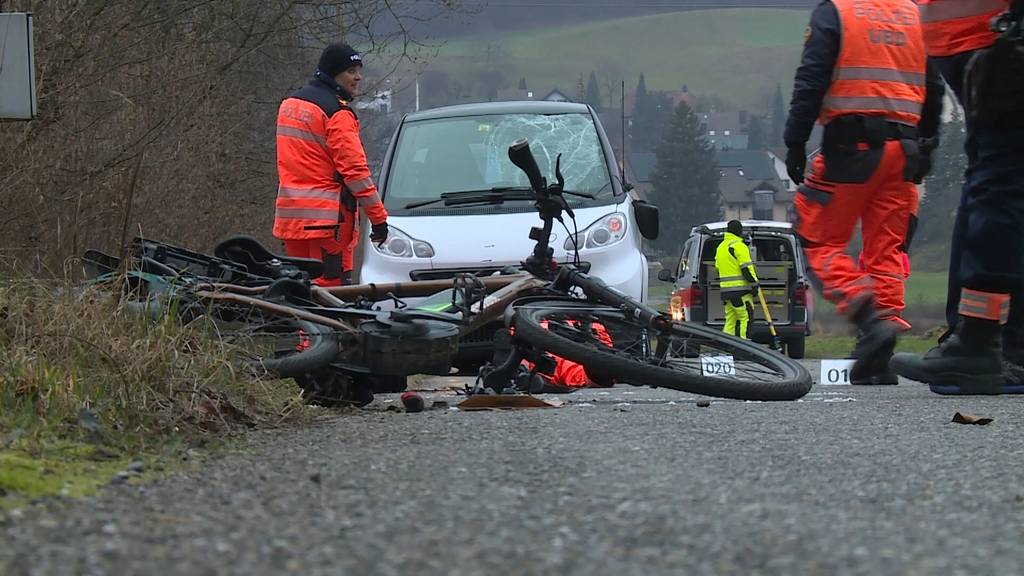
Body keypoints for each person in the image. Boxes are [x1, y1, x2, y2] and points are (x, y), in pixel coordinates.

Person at [784, 0, 945, 384]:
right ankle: (878, 355)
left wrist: (795, 141)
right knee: (885, 252)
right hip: (904, 152)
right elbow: (934, 87)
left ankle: (871, 323)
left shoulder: (836, 12)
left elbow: (811, 80)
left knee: (816, 242)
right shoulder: (915, 15)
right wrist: (926, 145)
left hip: (850, 149)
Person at [890, 0, 1024, 395]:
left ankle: (975, 338)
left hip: (961, 31)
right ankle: (988, 343)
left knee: (993, 173)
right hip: (994, 27)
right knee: (1004, 175)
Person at [273, 43, 389, 286]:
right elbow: (356, 173)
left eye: (359, 70)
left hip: (291, 217)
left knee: (299, 289)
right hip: (328, 222)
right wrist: (378, 219)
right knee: (332, 291)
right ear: (334, 73)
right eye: (351, 71)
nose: (358, 77)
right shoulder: (337, 113)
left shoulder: (289, 105)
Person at [715, 220, 759, 340]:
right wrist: (754, 284)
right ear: (739, 231)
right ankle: (744, 346)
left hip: (726, 292)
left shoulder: (720, 247)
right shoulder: (739, 246)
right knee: (746, 318)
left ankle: (726, 345)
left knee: (730, 320)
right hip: (741, 292)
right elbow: (746, 268)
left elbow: (718, 268)